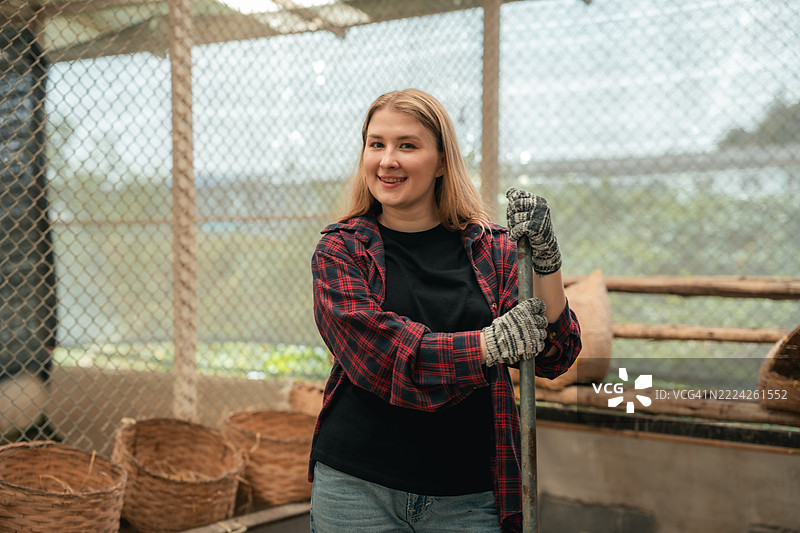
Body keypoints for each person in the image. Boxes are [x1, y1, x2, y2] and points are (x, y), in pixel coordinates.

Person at [308, 88, 581, 533]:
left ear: (440, 162)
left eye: (407, 145)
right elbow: (378, 353)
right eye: (376, 144)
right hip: (358, 487)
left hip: (468, 494)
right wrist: (486, 346)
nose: (387, 160)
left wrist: (545, 263)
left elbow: (555, 354)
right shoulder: (341, 249)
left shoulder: (491, 248)